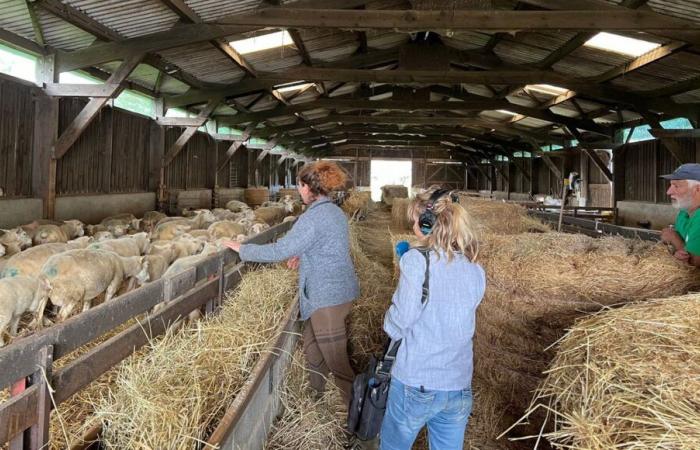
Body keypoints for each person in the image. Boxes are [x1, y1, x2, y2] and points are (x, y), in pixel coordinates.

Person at [222, 161, 360, 403]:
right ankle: (315, 397)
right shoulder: (334, 212)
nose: (298, 191)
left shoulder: (313, 217)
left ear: (308, 187)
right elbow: (329, 245)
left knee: (338, 363)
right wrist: (304, 253)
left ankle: (359, 420)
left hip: (327, 296)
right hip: (338, 291)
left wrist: (243, 249)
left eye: (300, 185)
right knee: (312, 347)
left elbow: (279, 251)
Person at [379, 187, 486, 450]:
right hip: (458, 385)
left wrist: (388, 321)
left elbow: (401, 320)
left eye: (416, 219)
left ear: (428, 224)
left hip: (417, 380)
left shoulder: (417, 261)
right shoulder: (475, 267)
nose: (413, 224)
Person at [660, 163, 700, 267]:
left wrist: (674, 239)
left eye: (676, 186)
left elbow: (696, 262)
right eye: (671, 185)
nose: (668, 192)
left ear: (697, 189)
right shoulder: (684, 212)